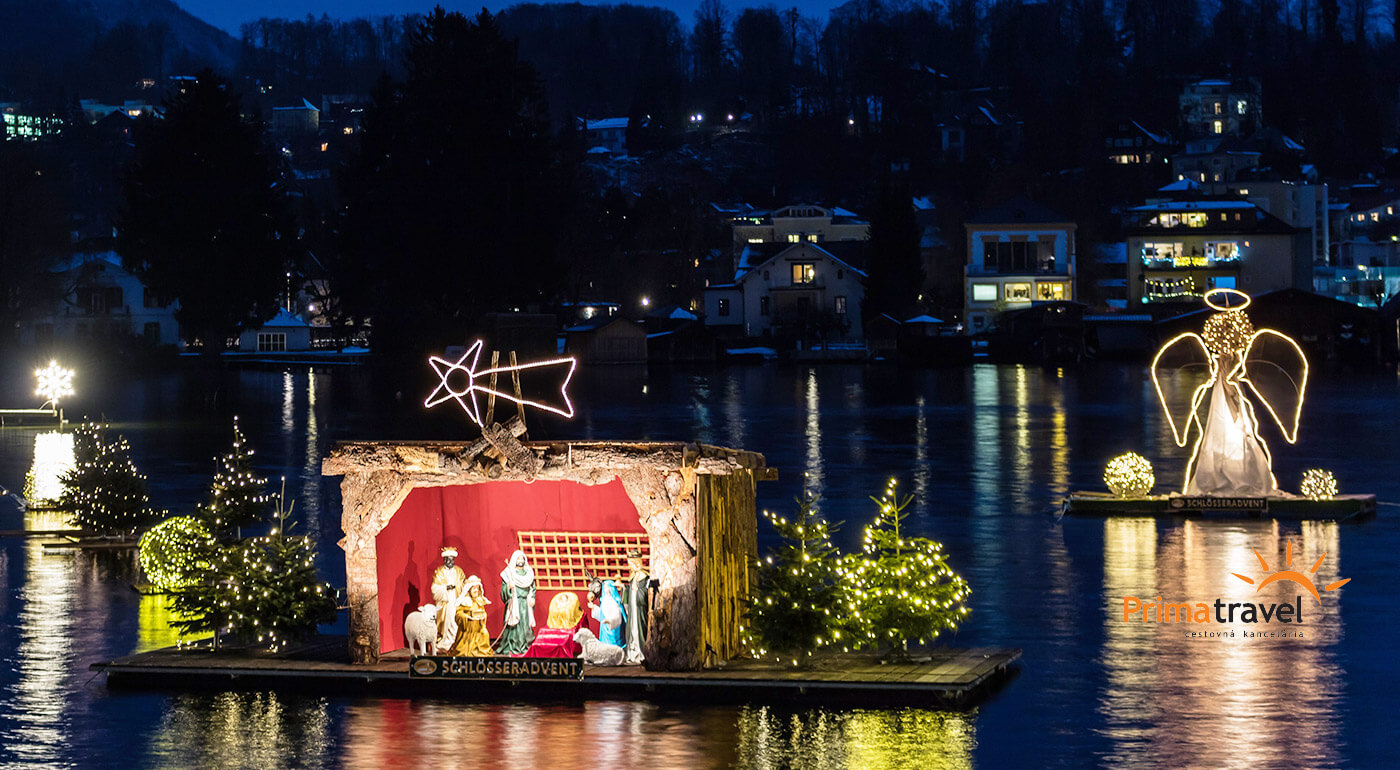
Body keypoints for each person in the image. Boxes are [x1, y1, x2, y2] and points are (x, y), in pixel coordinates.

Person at [496, 549, 537, 655]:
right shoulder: (508, 573)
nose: (520, 560)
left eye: (522, 558)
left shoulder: (529, 573)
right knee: (515, 628)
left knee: (526, 627)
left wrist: (531, 596)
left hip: (525, 604)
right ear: (514, 560)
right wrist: (509, 587)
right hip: (514, 603)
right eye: (518, 558)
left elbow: (532, 588)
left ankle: (525, 645)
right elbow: (504, 592)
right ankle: (513, 646)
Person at [621, 550, 654, 665]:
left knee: (639, 629)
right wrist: (625, 589)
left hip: (639, 608)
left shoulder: (644, 576)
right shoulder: (633, 576)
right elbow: (629, 590)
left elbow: (646, 591)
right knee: (631, 629)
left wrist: (637, 590)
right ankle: (632, 652)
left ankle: (641, 653)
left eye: (631, 562)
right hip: (633, 608)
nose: (629, 565)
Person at [430, 547, 467, 652]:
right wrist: (445, 588)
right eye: (447, 559)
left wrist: (461, 586)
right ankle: (444, 642)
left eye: (452, 559)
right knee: (446, 620)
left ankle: (456, 641)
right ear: (444, 560)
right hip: (445, 601)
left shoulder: (458, 571)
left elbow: (463, 584)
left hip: (456, 599)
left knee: (455, 620)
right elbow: (434, 588)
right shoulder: (440, 571)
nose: (450, 562)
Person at [448, 575, 493, 657]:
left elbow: (483, 612)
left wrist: (483, 616)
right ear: (468, 590)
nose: (476, 590)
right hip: (467, 629)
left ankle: (482, 652)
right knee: (464, 643)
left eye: (477, 588)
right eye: (474, 588)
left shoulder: (479, 601)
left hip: (478, 628)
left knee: (485, 634)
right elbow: (458, 614)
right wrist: (466, 617)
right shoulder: (464, 601)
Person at [589, 579, 626, 648]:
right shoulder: (604, 601)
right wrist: (593, 607)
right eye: (605, 588)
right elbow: (602, 615)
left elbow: (617, 616)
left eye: (608, 588)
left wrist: (610, 621)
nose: (606, 590)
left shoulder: (615, 602)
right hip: (605, 630)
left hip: (613, 630)